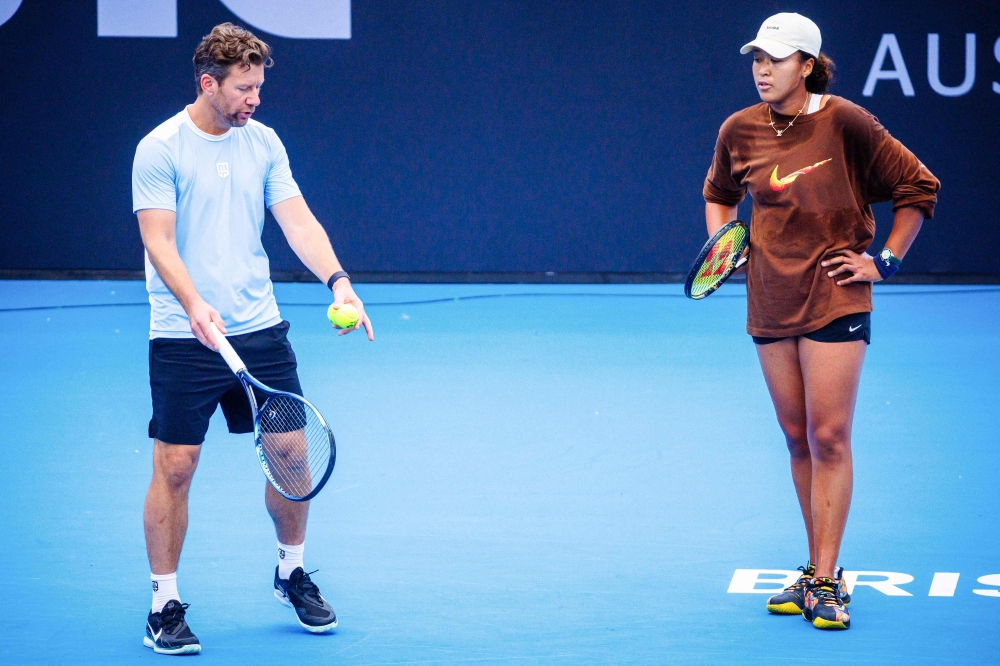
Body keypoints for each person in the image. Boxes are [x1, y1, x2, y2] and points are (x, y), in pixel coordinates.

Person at [132, 23, 374, 654]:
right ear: (208, 83)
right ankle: (164, 602)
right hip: (184, 336)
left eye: (259, 86)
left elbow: (296, 220)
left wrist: (339, 282)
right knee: (177, 466)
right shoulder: (159, 148)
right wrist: (194, 306)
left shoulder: (263, 143)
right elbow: (157, 241)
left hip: (259, 327)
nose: (255, 99)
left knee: (292, 456)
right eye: (243, 88)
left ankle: (290, 569)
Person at [703, 13, 939, 630]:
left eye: (776, 59)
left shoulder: (847, 122)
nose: (762, 69)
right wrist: (724, 245)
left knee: (829, 436)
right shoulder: (739, 129)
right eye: (757, 57)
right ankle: (814, 568)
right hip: (769, 297)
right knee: (796, 436)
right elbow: (719, 193)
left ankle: (829, 580)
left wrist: (883, 262)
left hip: (835, 293)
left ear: (807, 64)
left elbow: (919, 186)